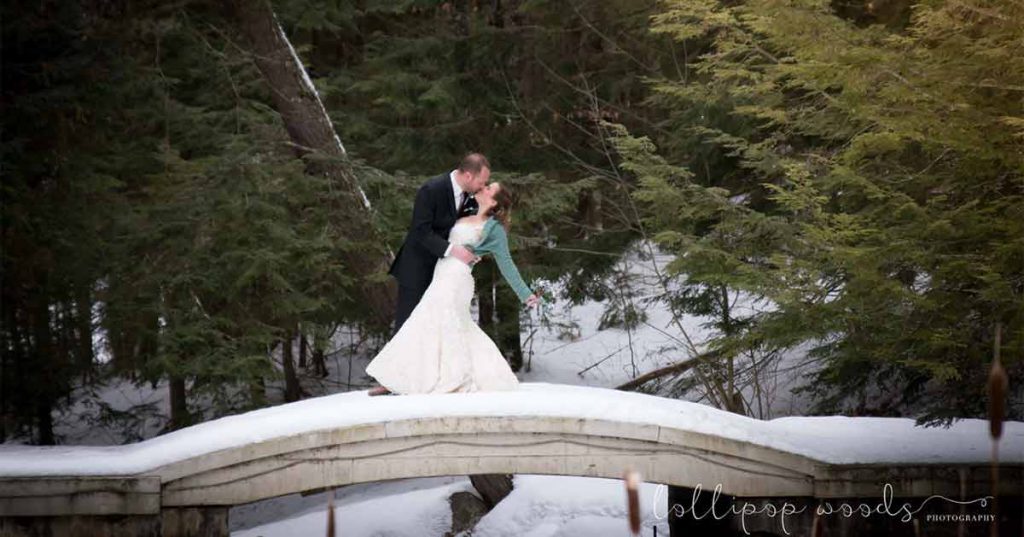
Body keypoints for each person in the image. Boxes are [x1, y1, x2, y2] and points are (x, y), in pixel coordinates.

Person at [367, 174, 541, 395]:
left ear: (494, 202)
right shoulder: (464, 211)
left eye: (489, 189)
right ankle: (402, 379)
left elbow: (507, 264)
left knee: (431, 320)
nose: (484, 188)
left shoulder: (493, 229)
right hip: (441, 273)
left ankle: (444, 378)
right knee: (431, 323)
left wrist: (525, 294)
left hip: (458, 278)